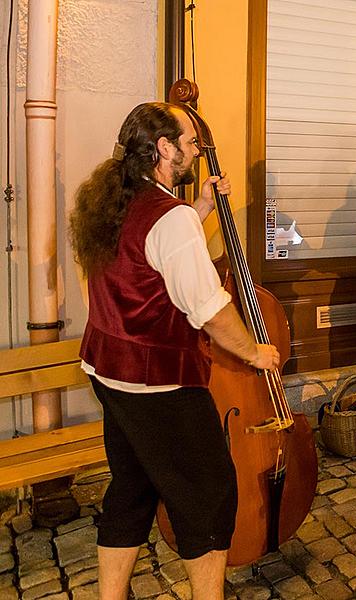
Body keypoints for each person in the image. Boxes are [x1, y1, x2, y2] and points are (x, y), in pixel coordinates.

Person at [69, 102, 280, 600]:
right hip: (159, 383)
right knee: (208, 497)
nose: (193, 152)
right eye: (188, 144)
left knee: (133, 487)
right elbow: (207, 308)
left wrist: (199, 210)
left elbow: (147, 262)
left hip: (109, 373)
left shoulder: (115, 200)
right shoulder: (171, 218)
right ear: (164, 149)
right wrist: (254, 352)